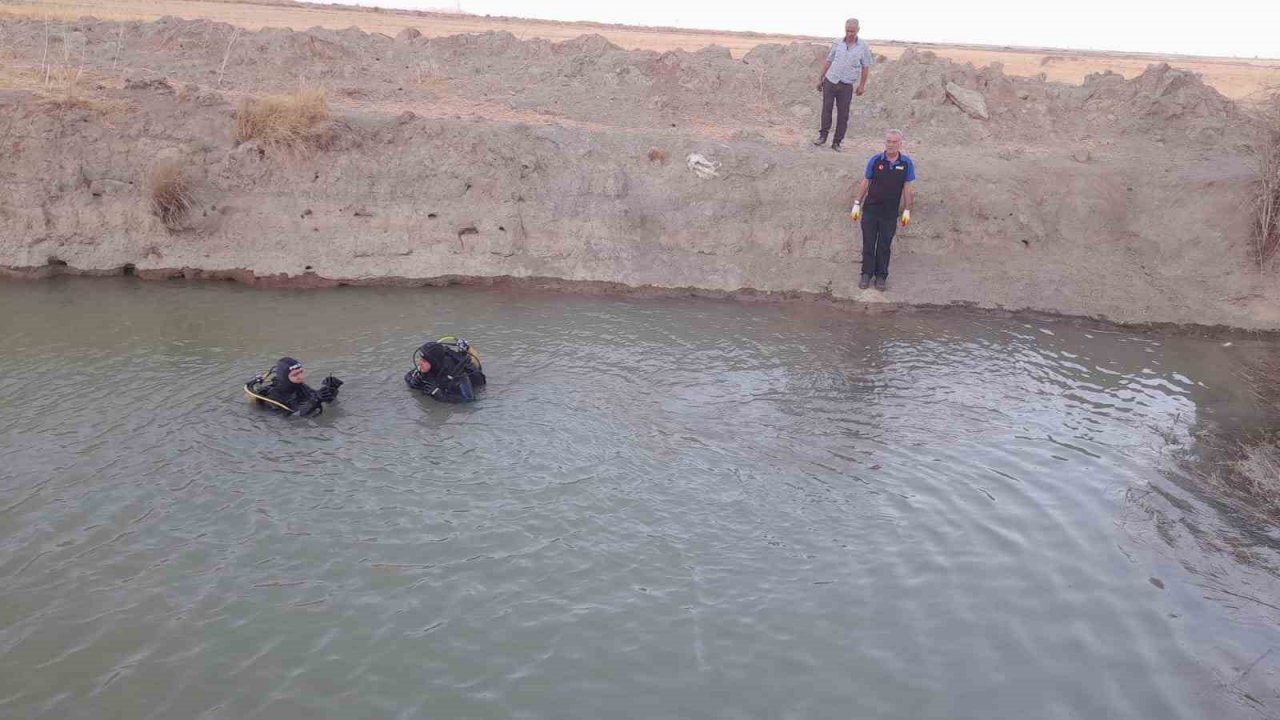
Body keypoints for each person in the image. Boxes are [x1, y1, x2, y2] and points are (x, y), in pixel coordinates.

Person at [850, 129, 916, 291]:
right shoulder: (875, 160)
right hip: (871, 210)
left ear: (900, 143)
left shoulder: (906, 163)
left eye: (894, 142)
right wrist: (857, 203)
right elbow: (866, 182)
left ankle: (881, 277)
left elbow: (907, 188)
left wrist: (907, 209)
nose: (891, 145)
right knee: (868, 243)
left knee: (884, 246)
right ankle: (866, 274)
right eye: (888, 141)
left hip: (890, 213)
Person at [813, 18, 873, 152]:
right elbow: (829, 60)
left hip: (846, 84)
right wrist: (821, 77)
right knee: (826, 109)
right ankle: (822, 137)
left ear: (858, 30)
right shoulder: (837, 43)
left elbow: (865, 67)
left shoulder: (863, 47)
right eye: (847, 30)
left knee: (843, 114)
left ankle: (837, 142)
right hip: (831, 80)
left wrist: (862, 85)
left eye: (852, 31)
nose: (850, 33)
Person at [246, 357, 343, 417]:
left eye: (301, 372)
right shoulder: (273, 397)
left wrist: (331, 389)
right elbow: (293, 418)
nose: (300, 376)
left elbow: (322, 400)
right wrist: (315, 400)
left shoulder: (300, 386)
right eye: (295, 374)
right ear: (285, 377)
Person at [405, 338, 486, 403]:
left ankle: (467, 351)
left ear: (434, 362)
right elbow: (407, 376)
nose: (420, 363)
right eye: (421, 359)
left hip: (473, 383)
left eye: (424, 361)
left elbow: (469, 400)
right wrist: (412, 382)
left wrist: (443, 397)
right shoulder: (426, 367)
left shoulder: (459, 374)